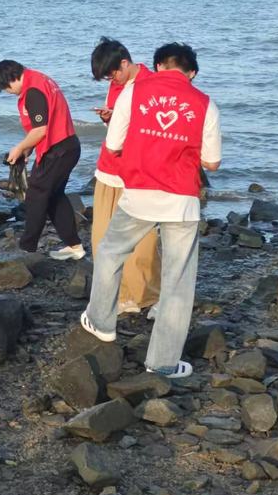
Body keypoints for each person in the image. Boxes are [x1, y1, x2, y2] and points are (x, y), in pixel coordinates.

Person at [80, 43, 222, 379]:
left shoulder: (133, 92)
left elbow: (113, 145)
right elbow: (212, 163)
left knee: (110, 251)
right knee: (178, 281)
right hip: (181, 201)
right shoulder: (205, 103)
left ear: (158, 66)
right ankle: (163, 362)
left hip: (139, 194)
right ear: (192, 73)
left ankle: (101, 322)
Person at [90, 37, 161, 316]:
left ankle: (146, 294)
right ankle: (115, 294)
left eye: (112, 74)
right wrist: (109, 118)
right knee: (102, 236)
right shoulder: (117, 84)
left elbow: (154, 129)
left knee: (142, 240)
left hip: (140, 172)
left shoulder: (151, 84)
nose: (112, 80)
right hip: (110, 168)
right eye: (108, 78)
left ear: (124, 63)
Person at [0, 60, 85, 260]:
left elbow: (41, 130)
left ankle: (27, 248)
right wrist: (28, 149)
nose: (9, 92)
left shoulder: (32, 91)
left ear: (11, 79)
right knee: (54, 196)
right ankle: (75, 246)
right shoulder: (40, 79)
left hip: (58, 150)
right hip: (67, 146)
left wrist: (19, 147)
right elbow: (44, 126)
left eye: (6, 88)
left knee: (36, 194)